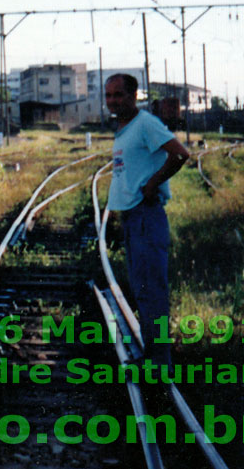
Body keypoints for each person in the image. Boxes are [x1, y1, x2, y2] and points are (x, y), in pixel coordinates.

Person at [104, 72, 190, 365]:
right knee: (142, 288)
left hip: (146, 217)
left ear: (133, 96)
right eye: (108, 95)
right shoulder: (125, 128)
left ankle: (160, 362)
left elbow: (180, 154)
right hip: (133, 218)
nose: (113, 101)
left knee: (151, 290)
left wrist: (153, 184)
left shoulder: (146, 124)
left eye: (118, 95)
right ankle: (153, 357)